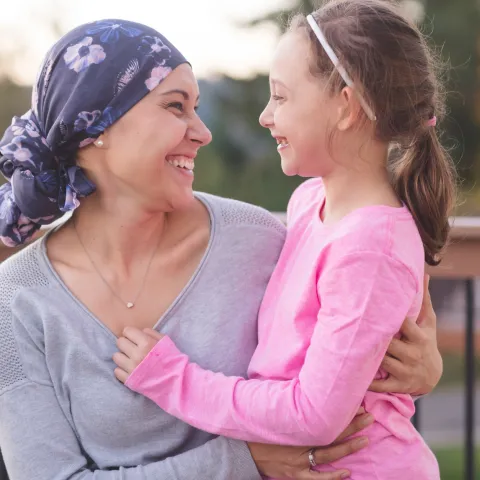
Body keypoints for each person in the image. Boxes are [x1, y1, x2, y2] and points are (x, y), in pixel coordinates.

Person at [0, 15, 441, 480]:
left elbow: (339, 366)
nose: (203, 132)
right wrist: (241, 460)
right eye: (175, 107)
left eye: (196, 107)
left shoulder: (258, 238)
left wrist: (417, 376)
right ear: (96, 128)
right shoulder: (16, 301)